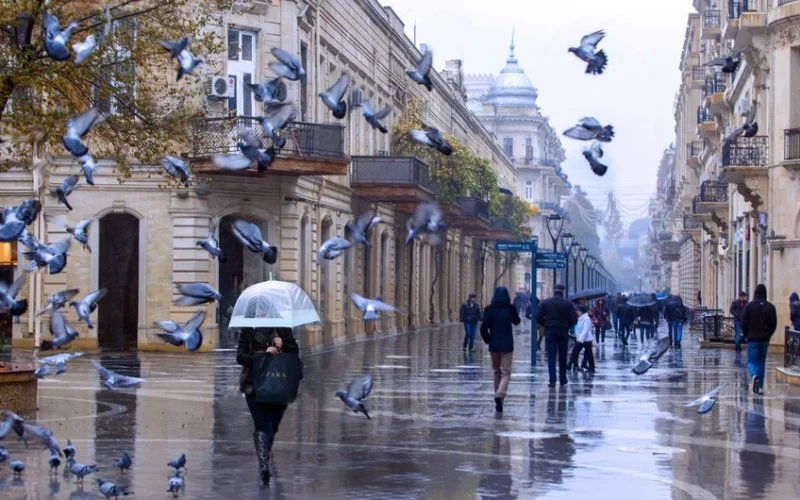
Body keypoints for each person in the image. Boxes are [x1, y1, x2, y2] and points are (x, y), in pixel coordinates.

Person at [237, 327, 301, 485]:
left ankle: (265, 452)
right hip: (254, 385)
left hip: (279, 385)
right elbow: (240, 357)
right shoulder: (248, 329)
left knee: (272, 426)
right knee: (262, 424)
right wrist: (263, 354)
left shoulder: (283, 328)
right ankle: (264, 465)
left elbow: (295, 351)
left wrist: (283, 345)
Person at [480, 287, 521, 413]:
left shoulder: (488, 309)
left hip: (494, 345)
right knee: (506, 372)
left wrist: (488, 340)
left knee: (496, 371)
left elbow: (483, 328)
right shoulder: (510, 308)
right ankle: (500, 394)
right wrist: (514, 311)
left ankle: (498, 397)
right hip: (507, 345)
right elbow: (517, 321)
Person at [537, 284, 578, 388]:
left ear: (553, 291)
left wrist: (545, 324)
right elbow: (574, 319)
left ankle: (552, 380)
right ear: (562, 291)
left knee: (551, 356)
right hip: (563, 331)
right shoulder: (568, 304)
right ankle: (563, 379)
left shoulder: (545, 303)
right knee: (562, 356)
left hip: (550, 330)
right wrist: (567, 325)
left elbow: (538, 317)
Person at [741, 284, 777, 395]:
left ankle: (754, 376)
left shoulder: (749, 306)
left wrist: (747, 334)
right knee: (761, 362)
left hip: (752, 339)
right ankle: (760, 386)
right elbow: (773, 324)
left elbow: (743, 322)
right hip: (764, 339)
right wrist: (768, 334)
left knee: (751, 362)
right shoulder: (770, 307)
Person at [567, 305, 595, 372]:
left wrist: (580, 339)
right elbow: (578, 329)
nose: (577, 312)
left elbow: (585, 330)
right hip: (580, 339)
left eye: (578, 311)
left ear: (581, 312)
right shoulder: (580, 318)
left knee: (588, 353)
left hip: (585, 340)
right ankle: (570, 365)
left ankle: (591, 367)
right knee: (576, 352)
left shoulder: (586, 319)